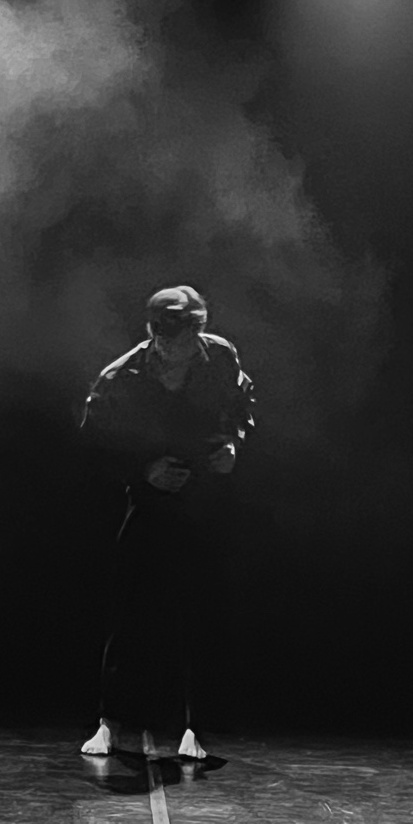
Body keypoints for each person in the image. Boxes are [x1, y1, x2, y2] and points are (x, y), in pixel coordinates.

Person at [79, 285, 254, 759]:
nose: (185, 346)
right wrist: (144, 472)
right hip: (149, 501)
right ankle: (110, 723)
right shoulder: (122, 377)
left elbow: (242, 405)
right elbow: (93, 446)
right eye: (175, 336)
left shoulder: (220, 357)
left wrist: (233, 443)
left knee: (202, 613)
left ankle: (197, 727)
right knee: (131, 613)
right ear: (155, 333)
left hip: (205, 498)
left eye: (192, 334)